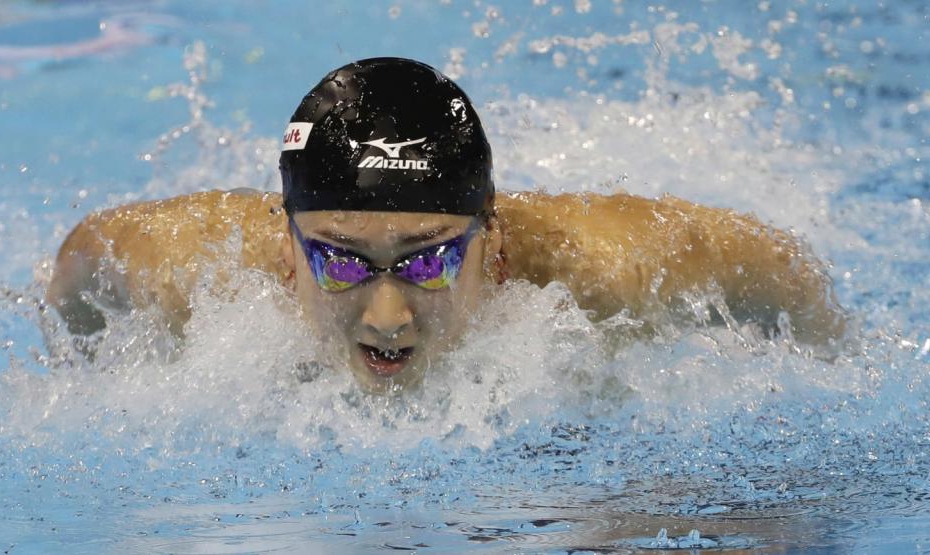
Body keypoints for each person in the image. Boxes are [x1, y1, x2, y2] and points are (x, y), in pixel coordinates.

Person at [48, 57, 847, 392]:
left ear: (492, 251)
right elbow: (80, 272)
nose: (387, 317)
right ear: (286, 252)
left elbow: (785, 272)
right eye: (343, 261)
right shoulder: (188, 268)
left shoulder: (608, 271)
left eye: (427, 263)